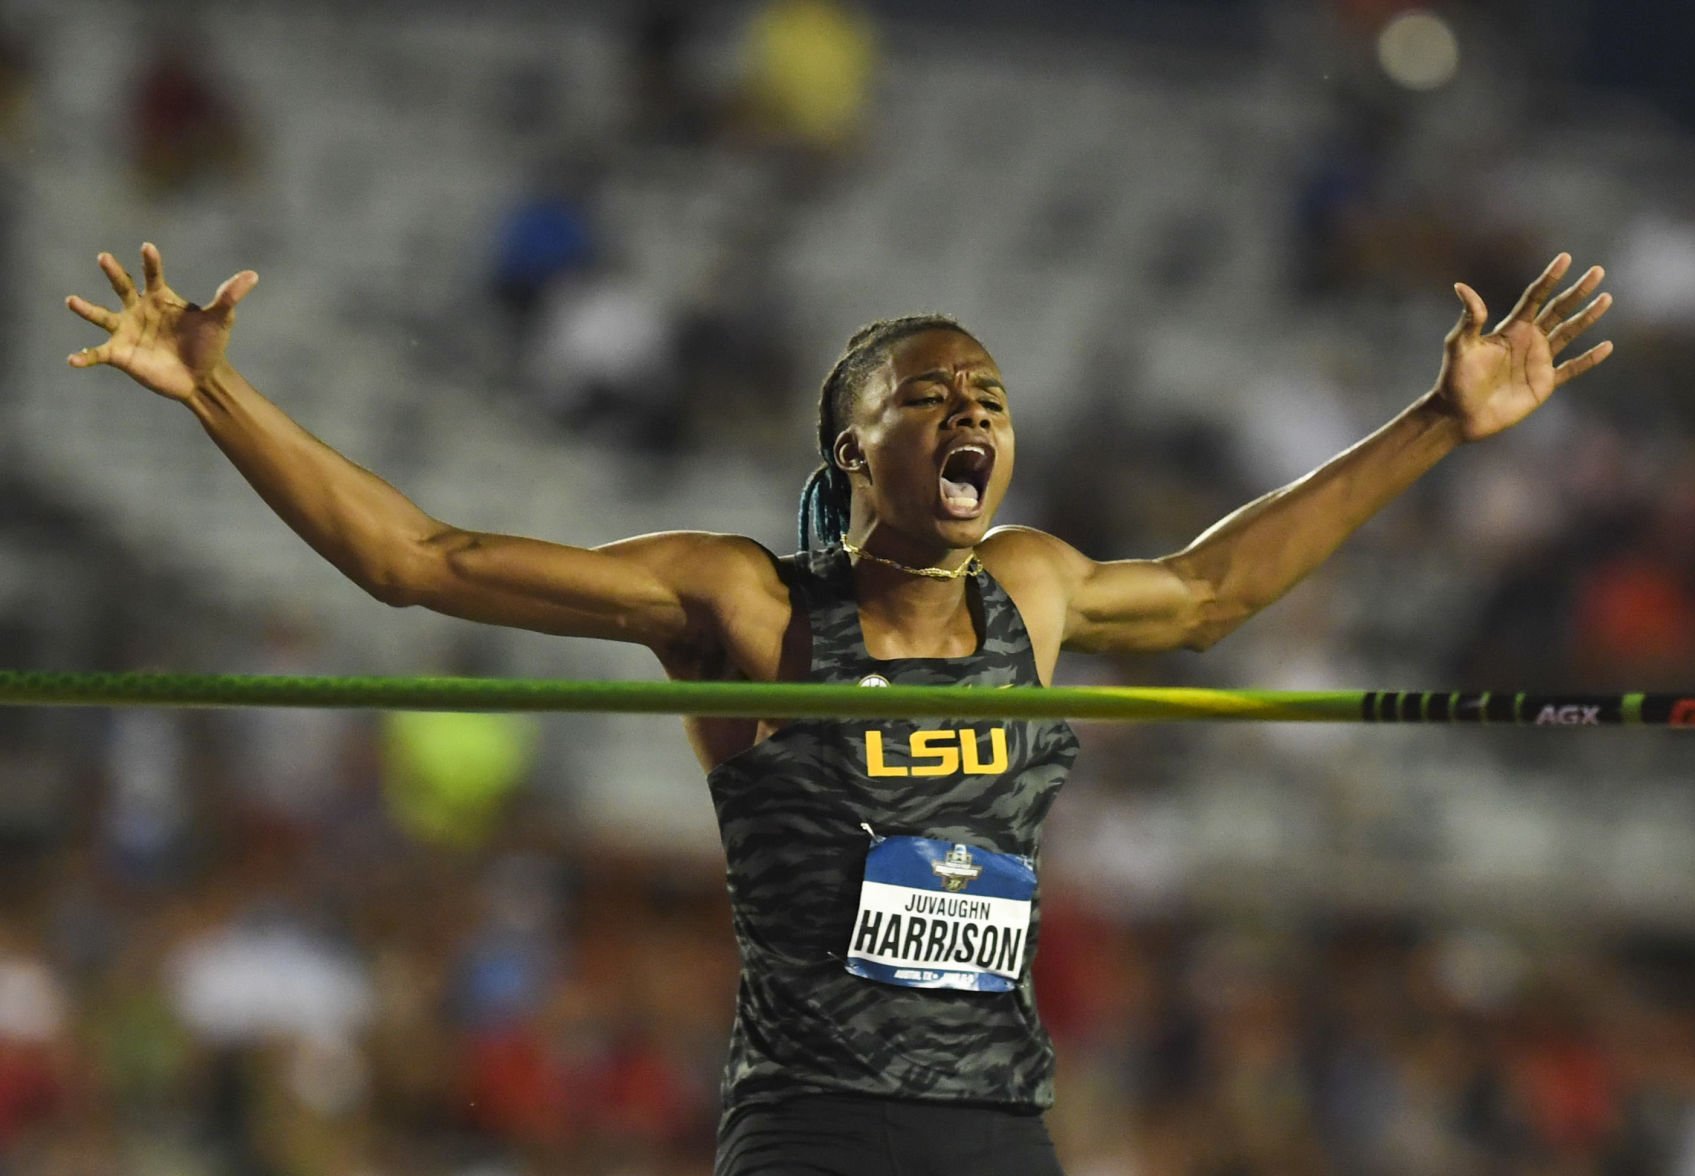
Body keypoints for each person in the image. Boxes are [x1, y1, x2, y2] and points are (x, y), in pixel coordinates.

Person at [65, 243, 1613, 1174]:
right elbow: (420, 559)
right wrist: (213, 391)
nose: (976, 412)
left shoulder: (1036, 593)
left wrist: (1438, 422)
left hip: (998, 1127)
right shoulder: (745, 605)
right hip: (816, 1128)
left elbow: (1214, 593)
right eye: (934, 392)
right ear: (853, 448)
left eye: (993, 396)